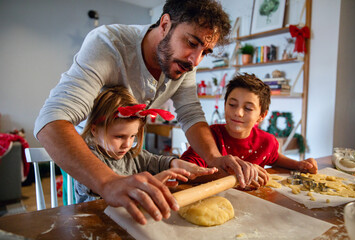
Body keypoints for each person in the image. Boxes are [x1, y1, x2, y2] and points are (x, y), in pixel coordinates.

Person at [34, 0, 259, 224]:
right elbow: (51, 120)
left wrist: (214, 158)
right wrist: (107, 182)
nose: (195, 60)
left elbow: (190, 113)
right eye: (191, 42)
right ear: (165, 24)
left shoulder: (185, 62)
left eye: (205, 52)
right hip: (89, 166)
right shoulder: (108, 44)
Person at [75, 86, 217, 205]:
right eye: (119, 137)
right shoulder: (88, 160)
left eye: (132, 136)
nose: (127, 144)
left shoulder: (131, 154)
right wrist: (148, 185)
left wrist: (177, 163)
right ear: (94, 130)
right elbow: (106, 199)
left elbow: (156, 161)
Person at [181, 73, 318, 187]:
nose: (238, 113)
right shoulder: (207, 139)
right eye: (232, 104)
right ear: (225, 105)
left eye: (248, 108)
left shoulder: (266, 141)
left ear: (261, 116)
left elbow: (274, 157)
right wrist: (231, 175)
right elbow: (183, 173)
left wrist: (299, 165)